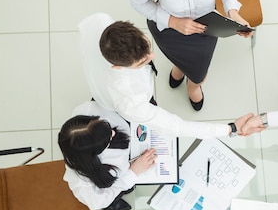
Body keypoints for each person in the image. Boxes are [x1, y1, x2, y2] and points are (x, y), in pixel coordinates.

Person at [78, 12, 252, 139]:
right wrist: (230, 129)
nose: (153, 57)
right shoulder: (131, 102)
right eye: (142, 62)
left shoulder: (101, 24)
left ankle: (180, 70)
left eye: (147, 46)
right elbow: (178, 127)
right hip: (123, 104)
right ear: (117, 66)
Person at [58, 101, 157, 210]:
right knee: (118, 192)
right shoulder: (84, 185)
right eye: (107, 140)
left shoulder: (87, 109)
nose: (113, 133)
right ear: (96, 153)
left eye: (104, 125)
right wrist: (133, 172)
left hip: (129, 141)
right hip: (113, 183)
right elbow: (99, 200)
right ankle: (113, 203)